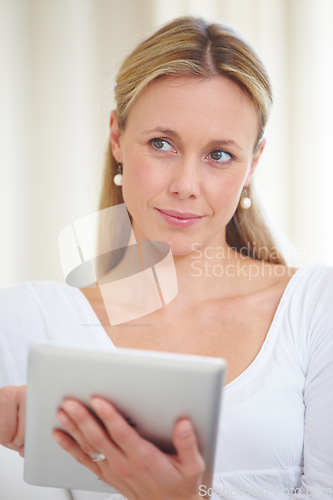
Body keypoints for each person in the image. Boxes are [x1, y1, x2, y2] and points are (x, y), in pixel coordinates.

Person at [0, 15, 332, 500]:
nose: (185, 185)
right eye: (161, 144)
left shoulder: (315, 310)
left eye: (219, 154)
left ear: (253, 163)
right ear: (117, 138)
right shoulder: (27, 321)